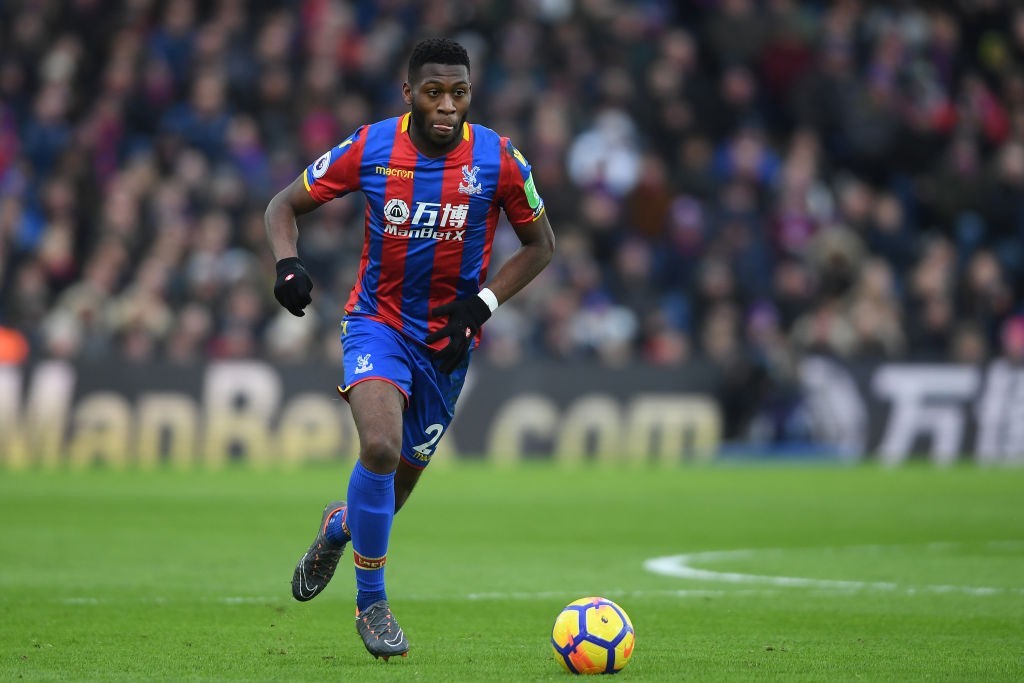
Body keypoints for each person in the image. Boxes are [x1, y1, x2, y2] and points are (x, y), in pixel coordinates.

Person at [264, 37, 555, 660]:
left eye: (459, 92)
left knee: (386, 501)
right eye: (434, 92)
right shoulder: (371, 147)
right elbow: (282, 205)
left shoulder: (501, 160)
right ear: (409, 95)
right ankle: (373, 606)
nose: (447, 105)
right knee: (379, 445)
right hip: (377, 323)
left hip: (448, 344)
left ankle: (339, 526)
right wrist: (287, 263)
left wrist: (483, 305)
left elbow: (540, 246)